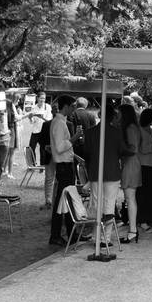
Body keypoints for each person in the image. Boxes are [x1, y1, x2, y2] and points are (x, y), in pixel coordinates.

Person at [83, 102, 125, 247]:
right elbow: (122, 150)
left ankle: (96, 236)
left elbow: (86, 154)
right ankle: (105, 238)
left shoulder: (89, 132)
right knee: (109, 204)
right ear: (112, 116)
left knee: (96, 204)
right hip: (112, 171)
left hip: (95, 172)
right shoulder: (117, 132)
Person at [49, 95, 83, 247]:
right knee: (62, 201)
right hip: (63, 166)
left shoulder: (61, 122)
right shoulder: (58, 123)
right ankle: (56, 235)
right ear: (66, 106)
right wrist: (74, 138)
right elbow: (59, 147)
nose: (74, 109)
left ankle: (72, 232)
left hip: (66, 163)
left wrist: (76, 156)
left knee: (68, 199)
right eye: (72, 106)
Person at [118, 103, 142, 243]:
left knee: (130, 198)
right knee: (130, 198)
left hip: (130, 163)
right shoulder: (132, 127)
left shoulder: (130, 128)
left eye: (120, 114)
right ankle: (132, 230)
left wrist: (120, 150)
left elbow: (133, 149)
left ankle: (133, 230)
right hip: (130, 163)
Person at [136, 108, 152, 231]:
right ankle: (142, 219)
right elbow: (142, 149)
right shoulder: (140, 131)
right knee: (143, 194)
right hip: (143, 165)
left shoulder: (151, 130)